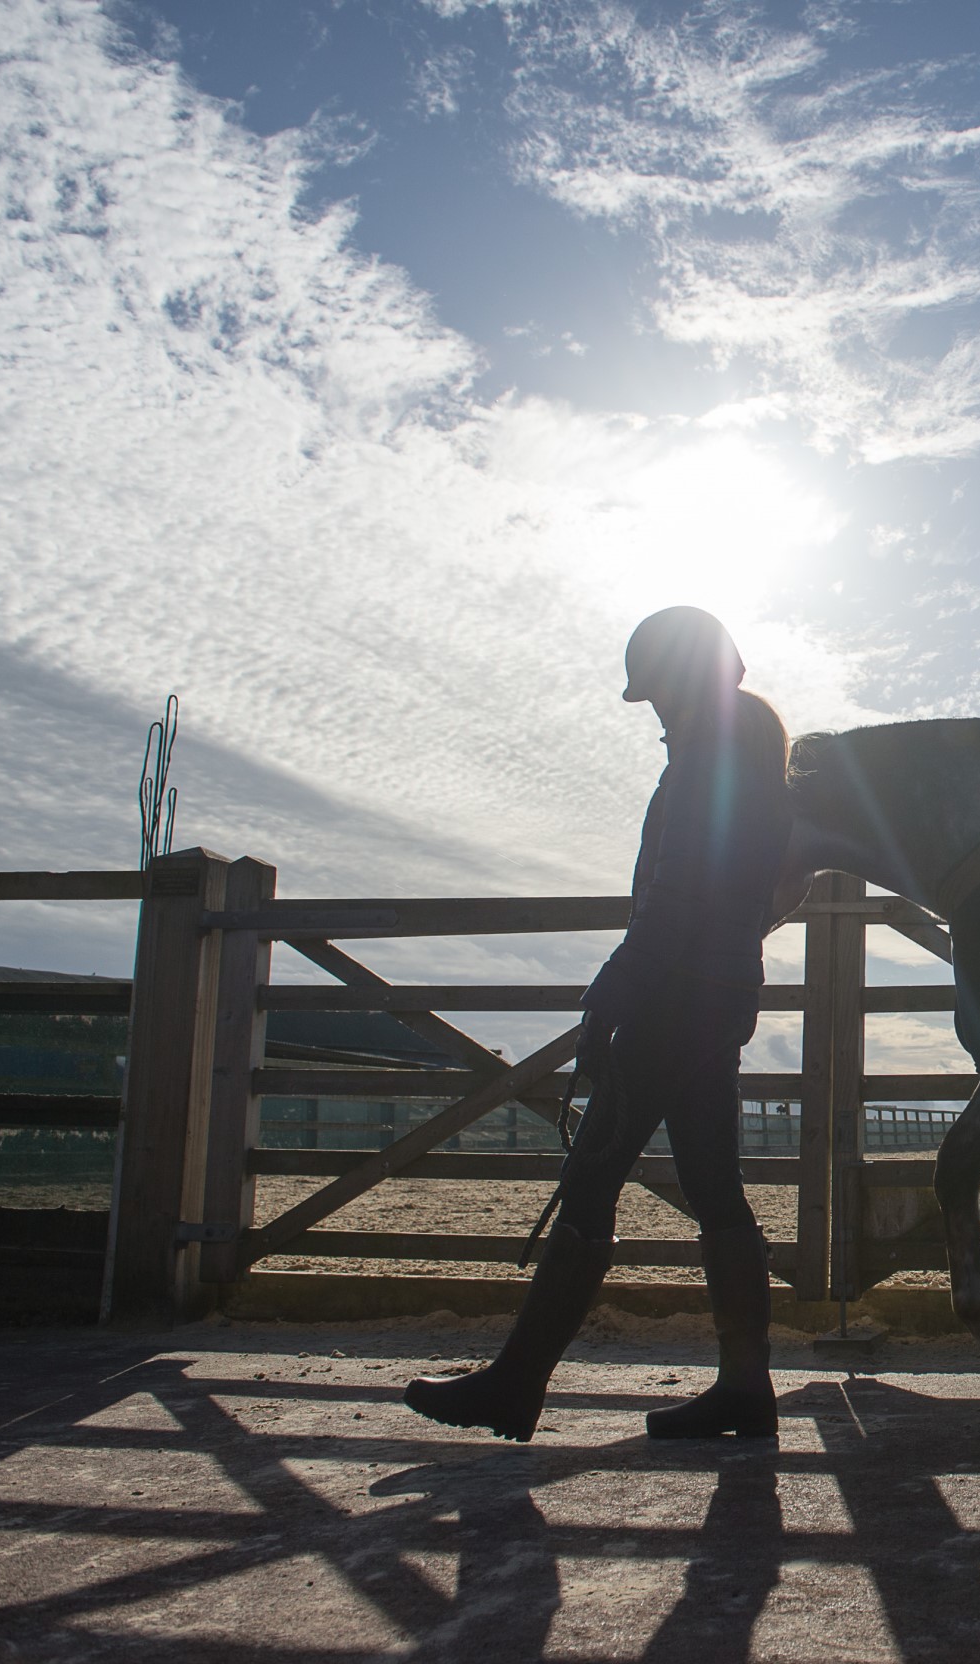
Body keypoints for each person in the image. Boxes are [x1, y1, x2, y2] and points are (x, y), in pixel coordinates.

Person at [405, 606, 795, 1441]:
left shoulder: (703, 766)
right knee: (717, 1191)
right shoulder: (755, 761)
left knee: (591, 1182)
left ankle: (516, 1385)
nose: (653, 716)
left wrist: (613, 991)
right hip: (720, 997)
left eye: (655, 695)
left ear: (680, 684)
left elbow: (673, 899)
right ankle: (745, 1386)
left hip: (671, 998)